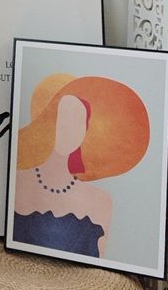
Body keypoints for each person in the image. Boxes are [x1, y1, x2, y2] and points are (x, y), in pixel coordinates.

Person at [12, 73, 150, 258]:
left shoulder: (101, 202)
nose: (70, 130)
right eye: (64, 118)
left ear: (86, 130)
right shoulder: (18, 181)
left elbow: (98, 262)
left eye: (78, 121)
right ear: (47, 122)